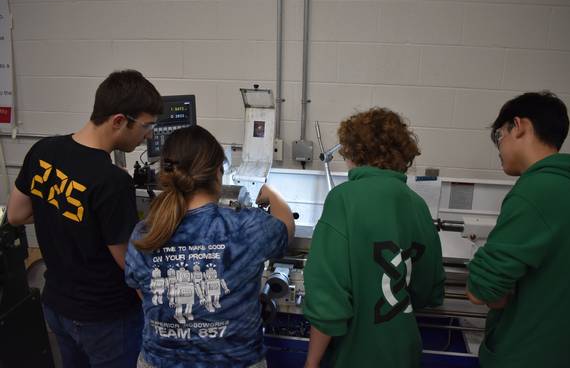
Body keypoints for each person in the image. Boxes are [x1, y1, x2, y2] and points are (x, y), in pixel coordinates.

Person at [7, 69, 163, 368]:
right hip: (105, 319)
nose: (148, 136)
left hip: (57, 306)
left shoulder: (44, 150)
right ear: (119, 121)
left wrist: (68, 215)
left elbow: (16, 215)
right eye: (146, 126)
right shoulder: (111, 182)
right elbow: (129, 262)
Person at [124, 125, 295, 368]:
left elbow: (144, 291)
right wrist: (273, 193)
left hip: (161, 361)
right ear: (218, 173)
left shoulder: (144, 232)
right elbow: (286, 227)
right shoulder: (247, 227)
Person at [303, 107, 446, 368]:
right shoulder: (418, 205)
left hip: (356, 355)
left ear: (353, 150)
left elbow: (327, 302)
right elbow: (428, 291)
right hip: (405, 354)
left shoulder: (343, 199)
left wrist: (312, 363)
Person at [466, 91, 570, 368]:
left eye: (498, 136)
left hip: (526, 354)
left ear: (519, 127)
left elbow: (483, 292)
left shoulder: (537, 191)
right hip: (561, 351)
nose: (498, 148)